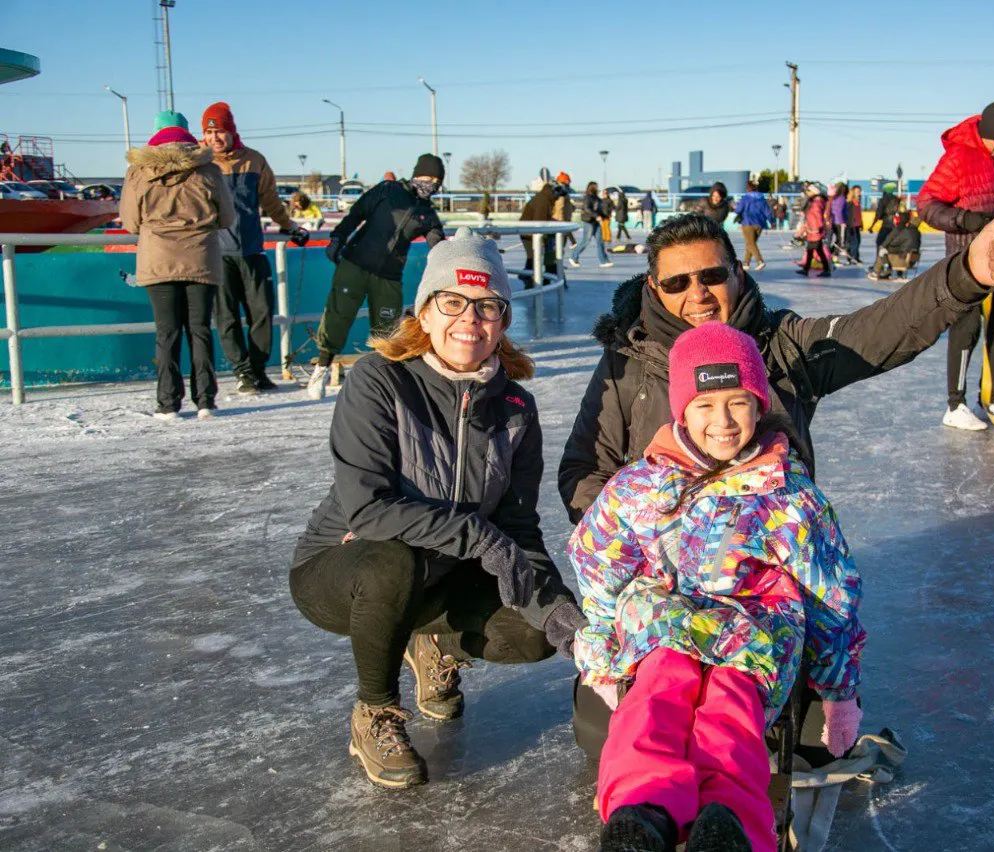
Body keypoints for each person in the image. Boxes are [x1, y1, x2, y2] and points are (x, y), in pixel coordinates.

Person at [559, 206, 994, 769]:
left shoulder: (778, 347)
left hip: (767, 597)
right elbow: (584, 472)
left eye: (712, 275)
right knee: (608, 728)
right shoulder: (625, 364)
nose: (698, 294)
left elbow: (876, 332)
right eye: (678, 282)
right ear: (653, 288)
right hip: (662, 595)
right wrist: (648, 544)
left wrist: (963, 274)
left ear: (736, 271)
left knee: (804, 743)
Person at [290, 228, 587, 789]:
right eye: (452, 302)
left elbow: (518, 529)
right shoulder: (381, 380)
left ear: (502, 322)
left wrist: (562, 616)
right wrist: (479, 537)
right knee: (390, 561)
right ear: (424, 313)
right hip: (343, 571)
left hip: (440, 580)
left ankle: (429, 643)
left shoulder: (517, 408)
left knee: (531, 634)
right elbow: (369, 511)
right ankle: (373, 711)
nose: (469, 320)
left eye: (487, 307)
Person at [572, 322, 865, 852]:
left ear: (759, 404)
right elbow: (598, 560)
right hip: (663, 623)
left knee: (731, 711)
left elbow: (831, 592)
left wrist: (838, 690)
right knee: (656, 693)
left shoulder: (786, 491)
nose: (723, 421)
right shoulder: (642, 484)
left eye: (737, 403)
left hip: (752, 631)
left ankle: (728, 821)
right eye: (705, 405)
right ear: (682, 409)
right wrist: (601, 649)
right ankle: (643, 812)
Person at [917, 99, 994, 432]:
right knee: (966, 331)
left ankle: (990, 398)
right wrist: (965, 218)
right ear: (984, 133)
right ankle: (956, 404)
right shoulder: (959, 157)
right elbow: (926, 204)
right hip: (967, 259)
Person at [121, 115, 236, 421]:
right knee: (200, 331)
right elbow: (227, 218)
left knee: (167, 333)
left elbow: (130, 222)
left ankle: (168, 404)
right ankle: (205, 401)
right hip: (201, 259)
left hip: (157, 260)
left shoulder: (138, 172)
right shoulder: (208, 169)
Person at [308, 155, 448, 399]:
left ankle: (380, 380)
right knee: (338, 316)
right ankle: (321, 367)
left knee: (386, 331)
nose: (432, 184)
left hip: (389, 276)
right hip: (356, 263)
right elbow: (356, 214)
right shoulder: (387, 190)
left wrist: (452, 255)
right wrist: (338, 238)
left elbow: (437, 244)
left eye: (437, 182)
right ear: (417, 174)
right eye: (429, 178)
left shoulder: (427, 213)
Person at [200, 102, 307, 395]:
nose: (214, 138)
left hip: (251, 251)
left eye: (219, 131)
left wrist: (290, 226)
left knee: (262, 314)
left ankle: (259, 369)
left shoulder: (254, 160)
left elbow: (271, 200)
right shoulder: (200, 162)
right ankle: (242, 372)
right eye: (209, 133)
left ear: (232, 132)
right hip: (216, 254)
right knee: (226, 317)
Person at [519, 171, 570, 279]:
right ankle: (527, 277)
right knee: (533, 258)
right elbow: (539, 221)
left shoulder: (545, 198)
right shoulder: (543, 201)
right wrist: (541, 240)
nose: (557, 199)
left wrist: (554, 222)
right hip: (528, 233)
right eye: (558, 196)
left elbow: (543, 218)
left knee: (535, 257)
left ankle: (529, 277)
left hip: (530, 232)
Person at [566, 182, 613, 269]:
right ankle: (573, 256)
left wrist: (604, 216)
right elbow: (587, 208)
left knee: (600, 241)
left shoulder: (597, 198)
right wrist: (596, 215)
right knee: (586, 241)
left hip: (595, 222)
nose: (597, 188)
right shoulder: (587, 197)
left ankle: (604, 260)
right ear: (591, 188)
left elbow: (600, 209)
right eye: (596, 187)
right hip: (589, 221)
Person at [869, 209, 922, 281]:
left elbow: (895, 243)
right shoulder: (918, 233)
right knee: (890, 252)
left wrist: (887, 247)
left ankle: (876, 272)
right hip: (912, 261)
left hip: (903, 261)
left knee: (882, 252)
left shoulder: (906, 231)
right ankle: (896, 274)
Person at [733, 180, 771, 271]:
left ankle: (760, 261)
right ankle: (746, 263)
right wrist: (771, 221)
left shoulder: (745, 198)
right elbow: (767, 212)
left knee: (750, 243)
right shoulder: (762, 199)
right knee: (750, 243)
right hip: (760, 224)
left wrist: (734, 207)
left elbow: (738, 210)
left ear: (748, 189)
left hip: (747, 223)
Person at [797, 183, 831, 277]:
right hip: (813, 230)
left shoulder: (816, 202)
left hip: (815, 231)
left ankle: (825, 269)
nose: (807, 192)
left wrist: (818, 229)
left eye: (809, 191)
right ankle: (807, 268)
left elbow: (818, 217)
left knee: (813, 250)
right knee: (813, 250)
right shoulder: (814, 201)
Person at [868, 182, 901, 253]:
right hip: (895, 226)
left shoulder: (883, 200)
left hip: (886, 225)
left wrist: (872, 226)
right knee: (892, 244)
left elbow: (878, 214)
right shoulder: (897, 200)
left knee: (880, 242)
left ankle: (879, 262)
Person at [551, 171, 576, 246]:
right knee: (561, 239)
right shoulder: (562, 192)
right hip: (562, 219)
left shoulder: (562, 193)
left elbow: (564, 206)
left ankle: (563, 248)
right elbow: (560, 208)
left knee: (561, 239)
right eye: (568, 181)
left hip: (562, 218)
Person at [828, 182, 850, 263]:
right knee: (840, 240)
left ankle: (830, 254)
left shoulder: (834, 198)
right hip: (839, 222)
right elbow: (839, 211)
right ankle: (834, 256)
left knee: (836, 240)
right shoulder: (842, 198)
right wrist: (842, 222)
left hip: (833, 221)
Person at [846, 184, 865, 265]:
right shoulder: (851, 202)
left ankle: (856, 257)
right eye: (857, 191)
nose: (859, 193)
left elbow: (858, 214)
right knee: (854, 242)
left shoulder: (858, 202)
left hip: (857, 224)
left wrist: (861, 223)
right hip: (851, 224)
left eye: (859, 191)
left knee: (858, 241)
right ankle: (852, 257)